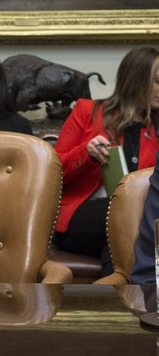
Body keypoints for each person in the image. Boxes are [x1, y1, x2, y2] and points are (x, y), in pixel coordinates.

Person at [54, 45, 159, 266]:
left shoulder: (156, 128)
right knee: (126, 212)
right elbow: (53, 173)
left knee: (127, 234)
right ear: (136, 80)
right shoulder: (87, 111)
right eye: (157, 81)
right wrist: (86, 153)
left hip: (134, 222)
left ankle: (116, 293)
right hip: (83, 217)